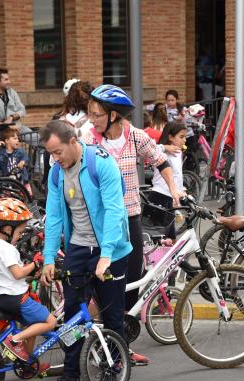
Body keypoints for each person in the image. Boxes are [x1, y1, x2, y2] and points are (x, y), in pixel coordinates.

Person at [83, 84, 183, 366]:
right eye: (91, 113)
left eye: (97, 114)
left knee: (132, 281)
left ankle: (120, 345)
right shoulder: (89, 140)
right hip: (99, 223)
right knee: (101, 284)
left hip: (130, 219)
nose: (92, 119)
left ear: (113, 115)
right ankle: (99, 341)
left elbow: (161, 161)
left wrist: (174, 190)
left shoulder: (135, 137)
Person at [40, 120, 132, 381]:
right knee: (72, 318)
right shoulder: (56, 173)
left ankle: (115, 367)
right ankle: (71, 376)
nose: (55, 160)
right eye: (50, 155)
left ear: (72, 142)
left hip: (112, 250)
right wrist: (48, 258)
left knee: (112, 315)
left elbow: (116, 211)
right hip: (78, 249)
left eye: (58, 152)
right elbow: (54, 216)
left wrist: (106, 256)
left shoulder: (101, 164)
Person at [0, 198, 56, 365]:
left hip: (4, 298)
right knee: (50, 322)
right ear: (8, 229)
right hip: (18, 299)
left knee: (31, 327)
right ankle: (15, 340)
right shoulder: (6, 248)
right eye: (19, 233)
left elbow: (9, 275)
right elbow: (18, 273)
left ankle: (27, 364)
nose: (18, 237)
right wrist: (36, 263)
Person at [148, 122, 186, 239]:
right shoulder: (162, 151)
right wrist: (165, 147)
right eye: (181, 137)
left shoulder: (178, 152)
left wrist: (180, 193)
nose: (184, 140)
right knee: (161, 240)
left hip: (171, 198)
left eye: (185, 137)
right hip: (160, 196)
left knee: (170, 239)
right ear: (170, 137)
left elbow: (177, 176)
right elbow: (150, 149)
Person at [0, 68, 31, 139]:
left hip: (17, 128)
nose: (9, 82)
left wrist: (11, 117)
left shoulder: (12, 92)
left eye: (8, 79)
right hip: (0, 132)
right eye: (6, 80)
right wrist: (6, 125)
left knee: (37, 139)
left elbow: (22, 110)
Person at [0, 127, 32, 195]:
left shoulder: (20, 151)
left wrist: (23, 161)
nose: (18, 140)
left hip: (21, 182)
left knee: (26, 199)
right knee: (8, 200)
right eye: (15, 138)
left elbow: (26, 158)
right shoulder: (1, 154)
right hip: (7, 184)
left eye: (17, 138)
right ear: (7, 141)